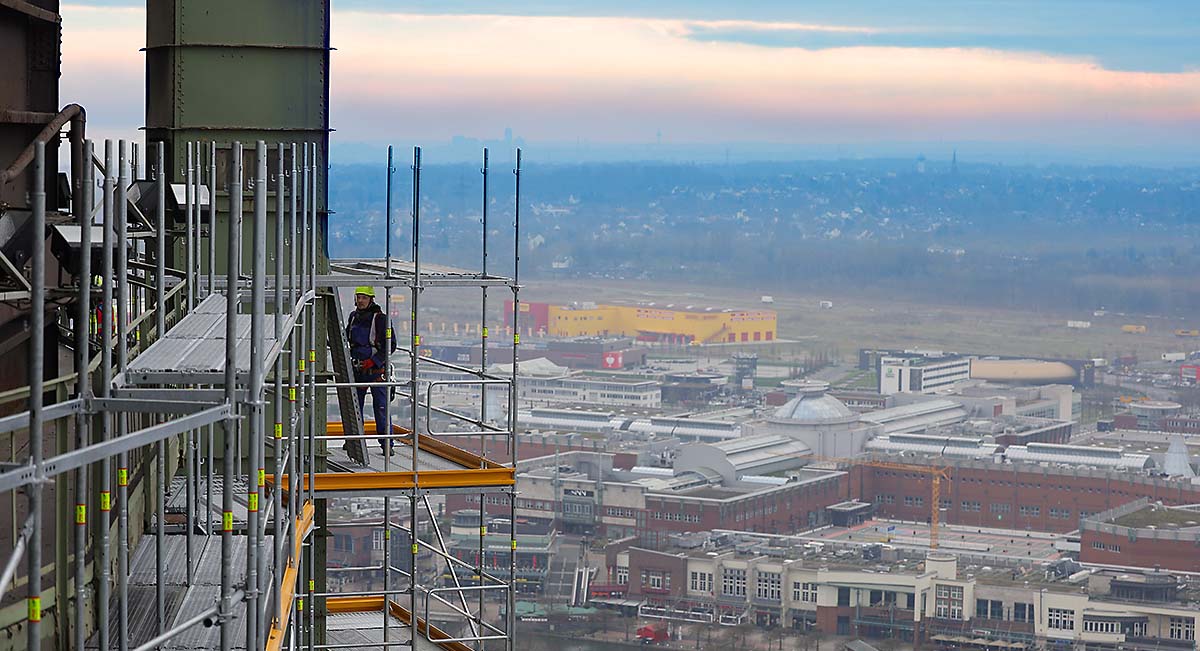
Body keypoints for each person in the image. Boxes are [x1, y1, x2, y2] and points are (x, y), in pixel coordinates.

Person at [346, 286, 395, 455]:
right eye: (358, 297)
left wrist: (373, 361)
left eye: (364, 298)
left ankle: (387, 444)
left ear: (371, 299)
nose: (360, 300)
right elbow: (346, 339)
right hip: (358, 370)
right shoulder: (354, 317)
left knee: (381, 408)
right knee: (354, 408)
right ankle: (353, 441)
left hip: (376, 372)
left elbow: (391, 345)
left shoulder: (380, 319)